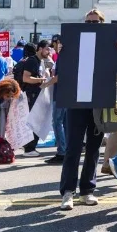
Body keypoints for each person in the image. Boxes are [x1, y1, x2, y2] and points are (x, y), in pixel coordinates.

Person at [58, 9, 109, 211]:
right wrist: (63, 51)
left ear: (102, 24)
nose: (92, 25)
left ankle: (87, 190)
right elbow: (61, 71)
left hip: (98, 102)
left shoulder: (108, 45)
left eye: (96, 22)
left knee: (94, 148)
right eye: (88, 22)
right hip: (76, 100)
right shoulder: (73, 44)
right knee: (73, 148)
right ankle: (68, 191)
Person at [13, 40, 55, 158]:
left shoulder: (39, 61)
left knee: (36, 121)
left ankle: (30, 147)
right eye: (47, 49)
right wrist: (41, 80)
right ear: (40, 49)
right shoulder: (32, 61)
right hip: (32, 95)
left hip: (36, 94)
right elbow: (26, 78)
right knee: (34, 121)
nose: (49, 52)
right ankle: (29, 149)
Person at [48, 36, 67, 165]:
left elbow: (60, 76)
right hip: (62, 94)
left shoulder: (62, 57)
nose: (54, 47)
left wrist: (45, 84)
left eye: (55, 44)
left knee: (57, 122)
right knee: (62, 122)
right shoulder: (61, 57)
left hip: (60, 94)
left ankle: (62, 151)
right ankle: (64, 150)